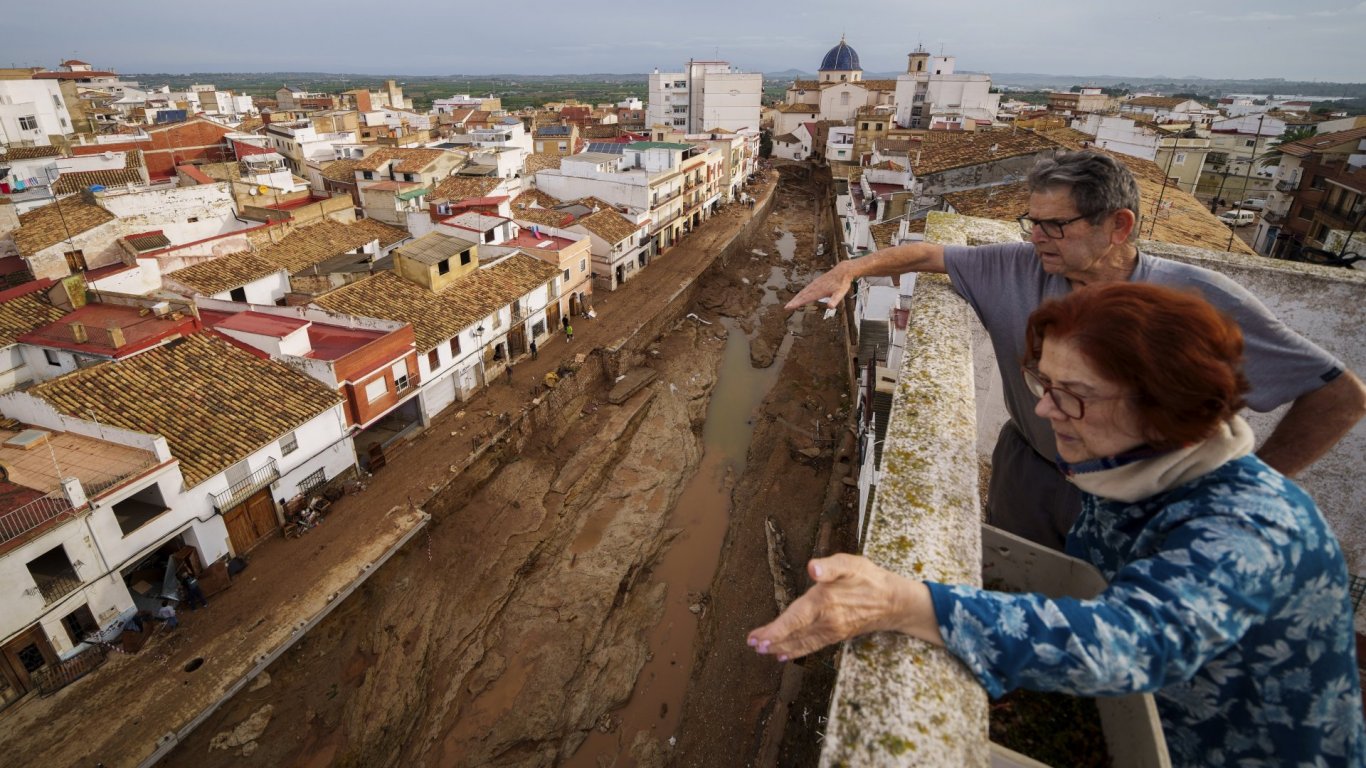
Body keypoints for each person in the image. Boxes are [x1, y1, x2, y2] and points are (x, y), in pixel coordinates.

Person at [750, 283, 1366, 766]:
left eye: (1074, 394)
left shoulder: (1255, 527)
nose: (1045, 409)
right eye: (1044, 382)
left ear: (1165, 406)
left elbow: (1130, 644)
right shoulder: (1127, 466)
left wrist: (901, 602)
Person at [787, 150, 1366, 551]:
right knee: (1014, 582)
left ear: (1118, 226)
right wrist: (849, 270)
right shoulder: (1017, 266)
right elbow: (925, 255)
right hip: (1030, 475)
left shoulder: (1195, 299)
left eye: (1055, 226)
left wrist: (1253, 486)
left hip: (1146, 502)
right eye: (1031, 221)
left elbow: (1339, 395)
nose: (1035, 237)